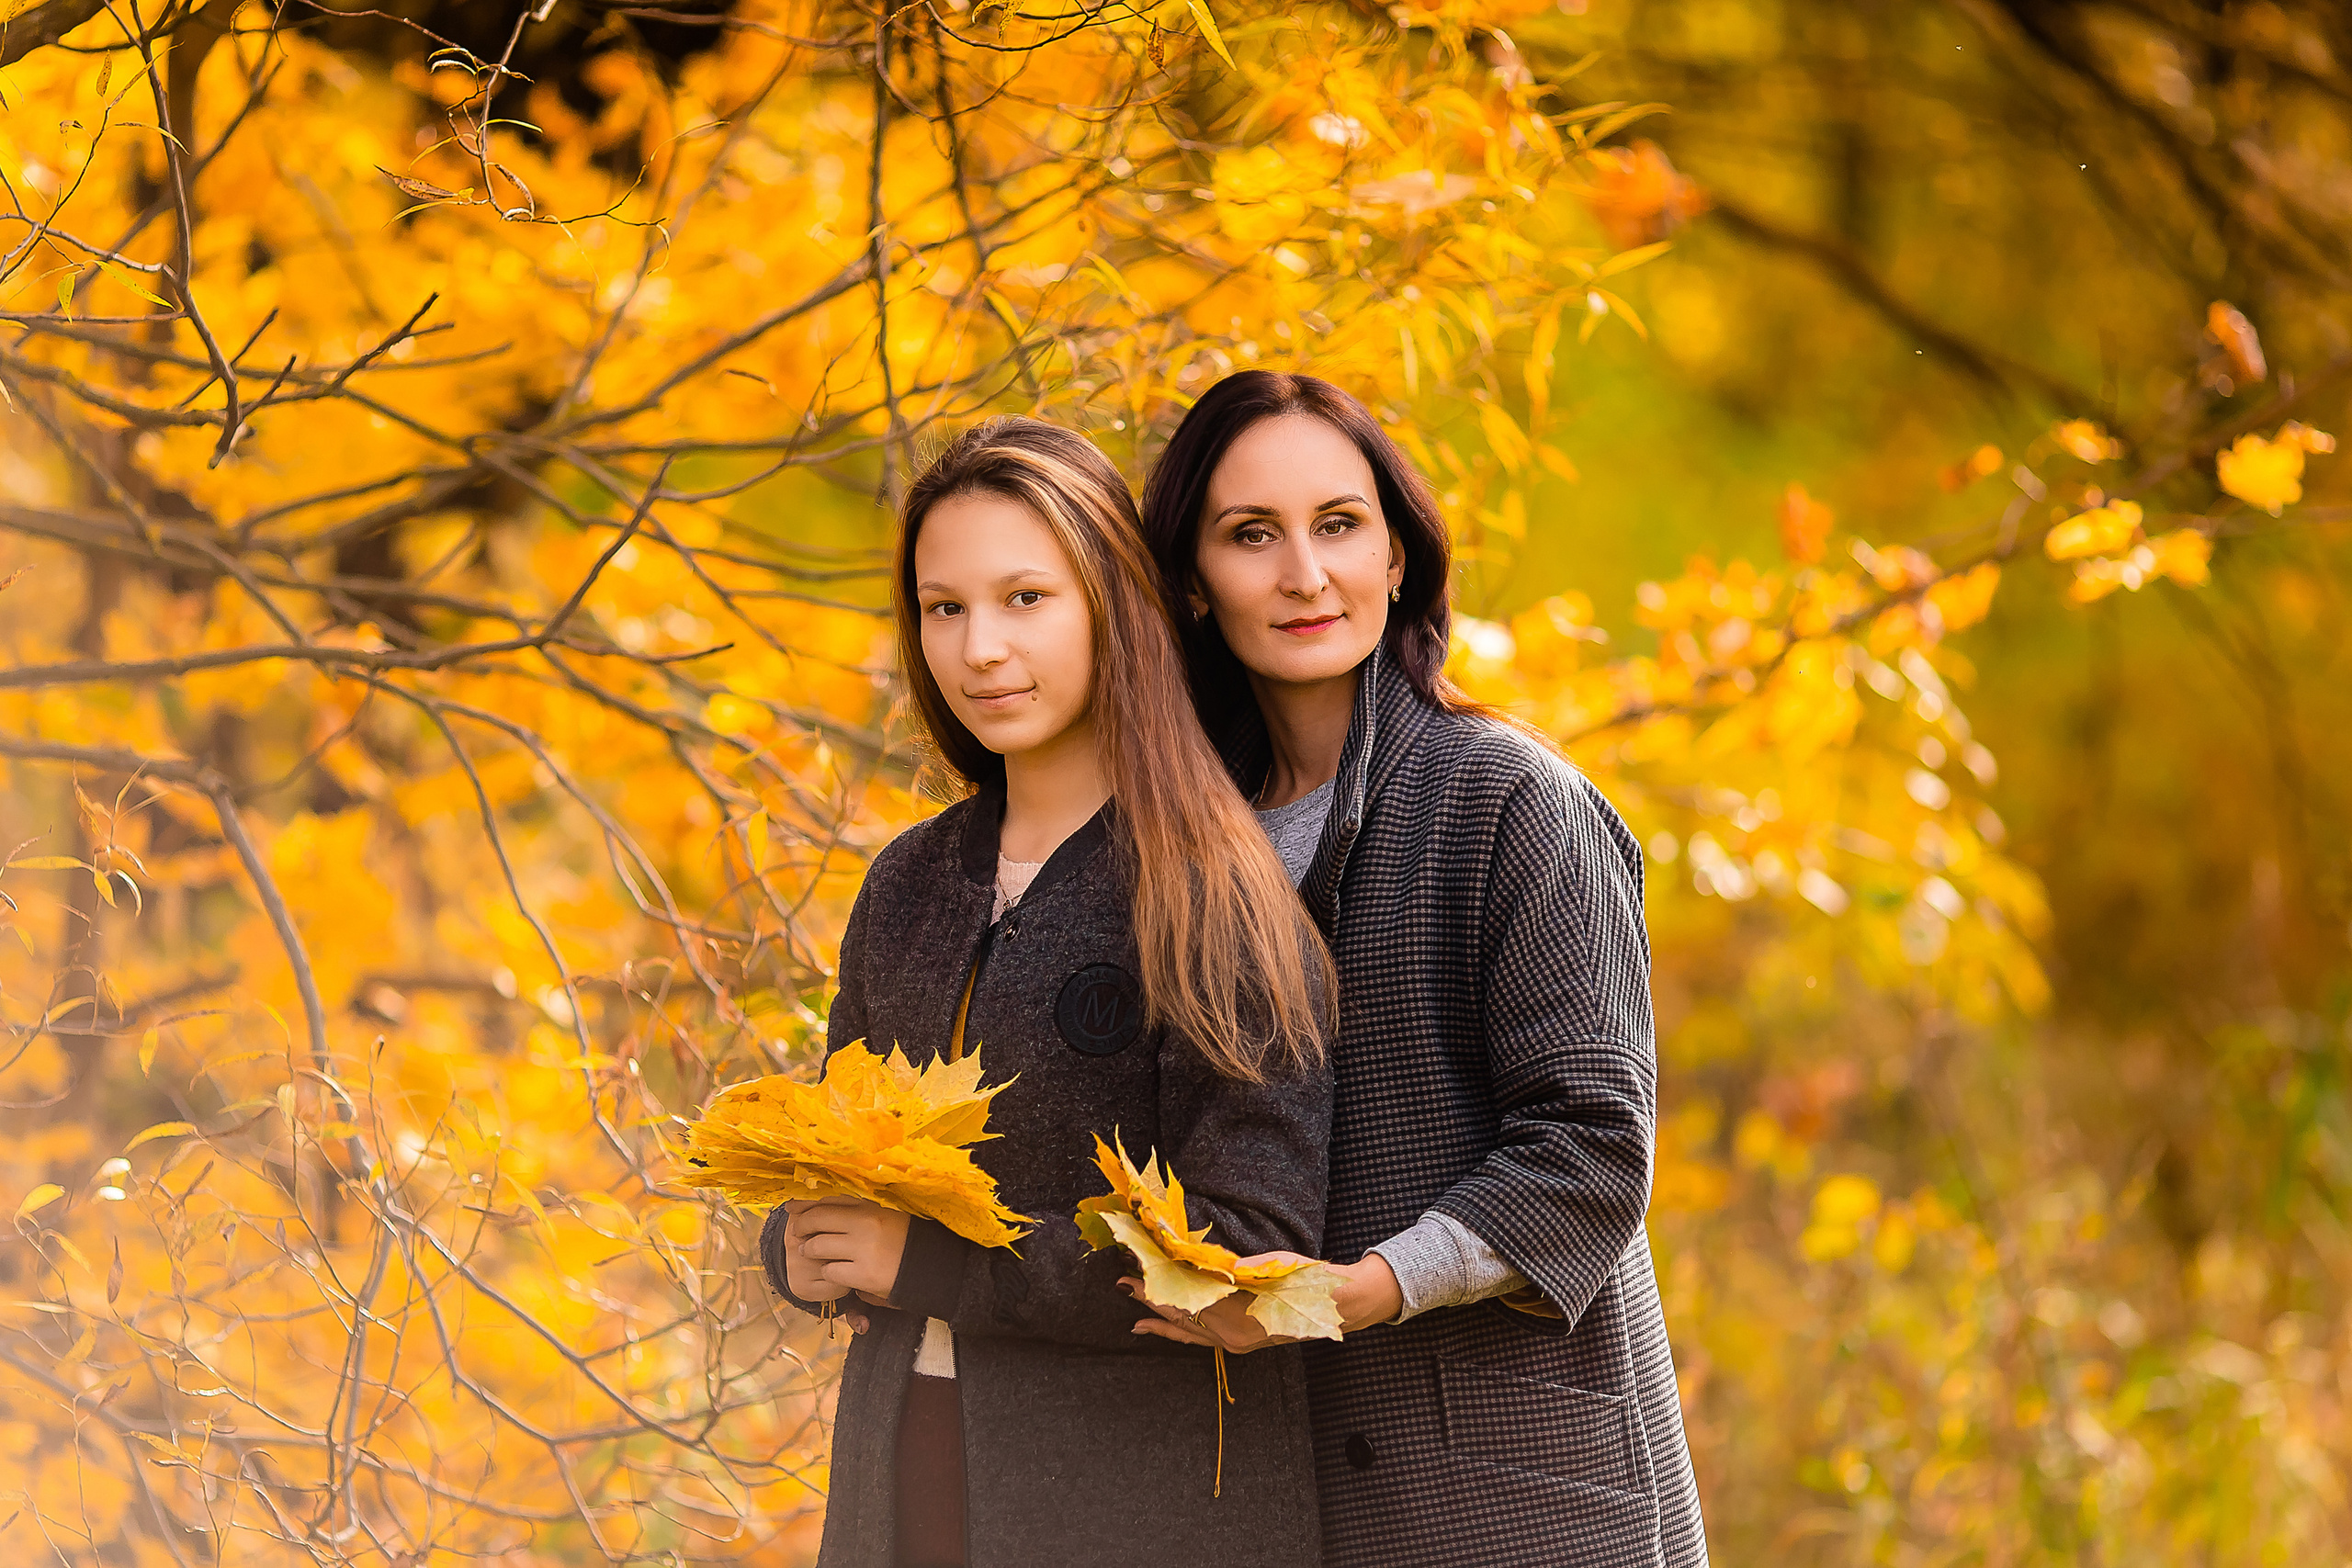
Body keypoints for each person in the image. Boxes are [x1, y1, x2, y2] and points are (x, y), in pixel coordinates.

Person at [1130, 372, 1708, 1568]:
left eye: (1339, 524)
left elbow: (1593, 1147)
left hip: (1520, 1500)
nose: (1304, 572)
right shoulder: (1184, 847)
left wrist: (1359, 1287)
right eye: (1252, 534)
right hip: (1285, 1500)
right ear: (1192, 581)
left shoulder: (1512, 800)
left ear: (1397, 555)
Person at [759, 416, 1334, 1568]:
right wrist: (800, 1244)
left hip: (1135, 1502)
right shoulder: (909, 883)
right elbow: (841, 1160)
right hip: (902, 1459)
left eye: (1026, 598)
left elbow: (1251, 1250)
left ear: (1112, 606)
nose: (978, 649)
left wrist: (927, 1268)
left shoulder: (1210, 887)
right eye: (944, 607)